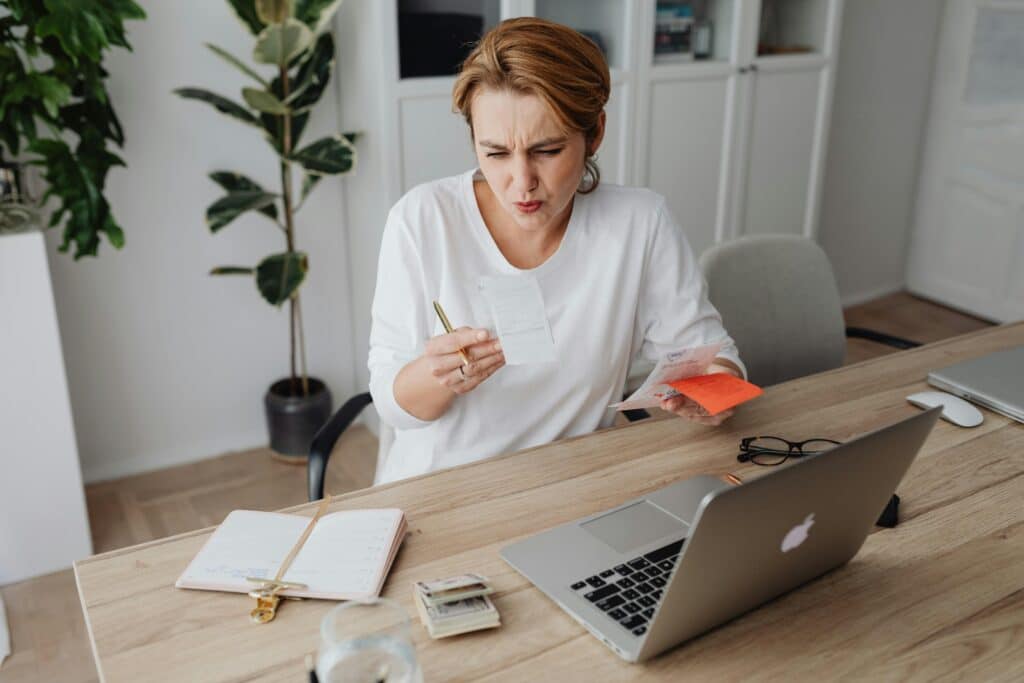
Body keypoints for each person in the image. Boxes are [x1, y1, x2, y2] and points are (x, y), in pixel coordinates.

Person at [368, 17, 745, 484]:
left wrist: (710, 393)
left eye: (546, 150)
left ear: (595, 134)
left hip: (577, 487)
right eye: (496, 154)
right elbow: (392, 405)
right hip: (446, 494)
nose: (521, 182)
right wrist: (437, 375)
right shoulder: (423, 220)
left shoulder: (639, 223)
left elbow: (712, 355)